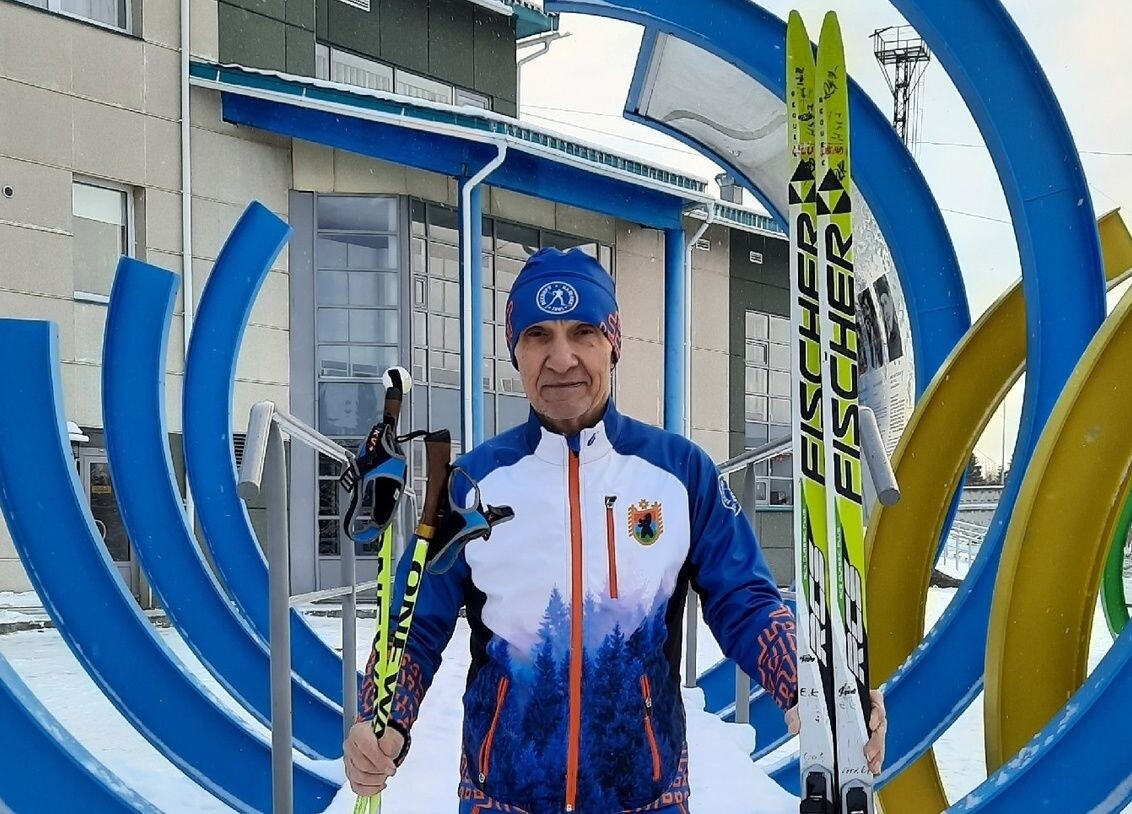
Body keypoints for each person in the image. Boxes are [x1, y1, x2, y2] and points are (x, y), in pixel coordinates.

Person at [343, 248, 886, 812]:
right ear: (514, 350)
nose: (561, 359)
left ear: (613, 342)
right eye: (537, 335)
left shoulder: (680, 473)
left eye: (583, 332)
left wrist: (806, 684)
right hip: (501, 794)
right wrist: (383, 718)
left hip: (648, 795)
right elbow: (412, 625)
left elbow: (743, 600)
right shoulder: (471, 484)